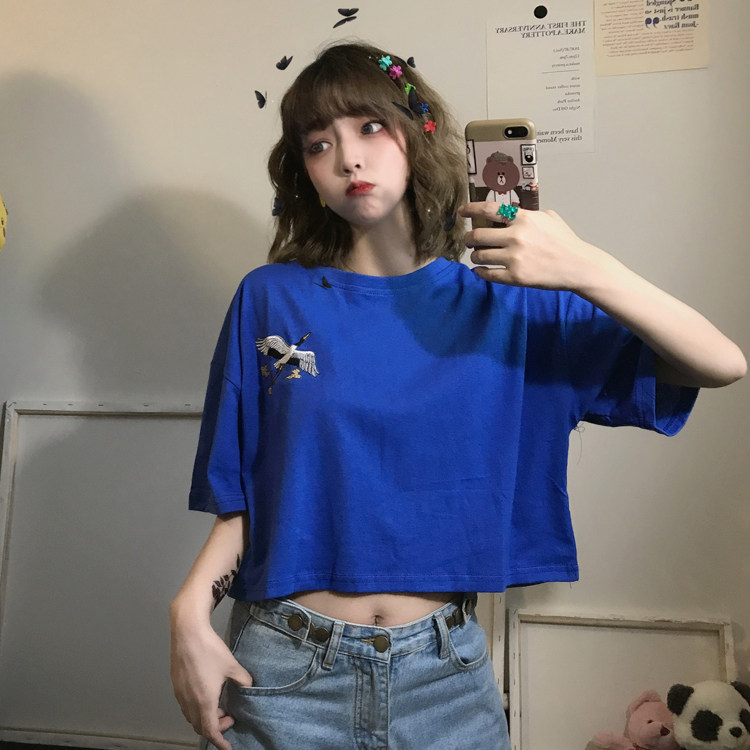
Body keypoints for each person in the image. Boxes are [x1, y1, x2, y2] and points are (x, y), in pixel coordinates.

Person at [169, 42, 746, 750]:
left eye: (370, 126)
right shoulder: (272, 299)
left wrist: (584, 266)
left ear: (418, 134)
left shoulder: (514, 304)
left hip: (444, 682)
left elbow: (722, 362)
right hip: (284, 673)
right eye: (319, 144)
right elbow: (251, 494)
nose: (348, 158)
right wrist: (188, 610)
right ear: (306, 175)